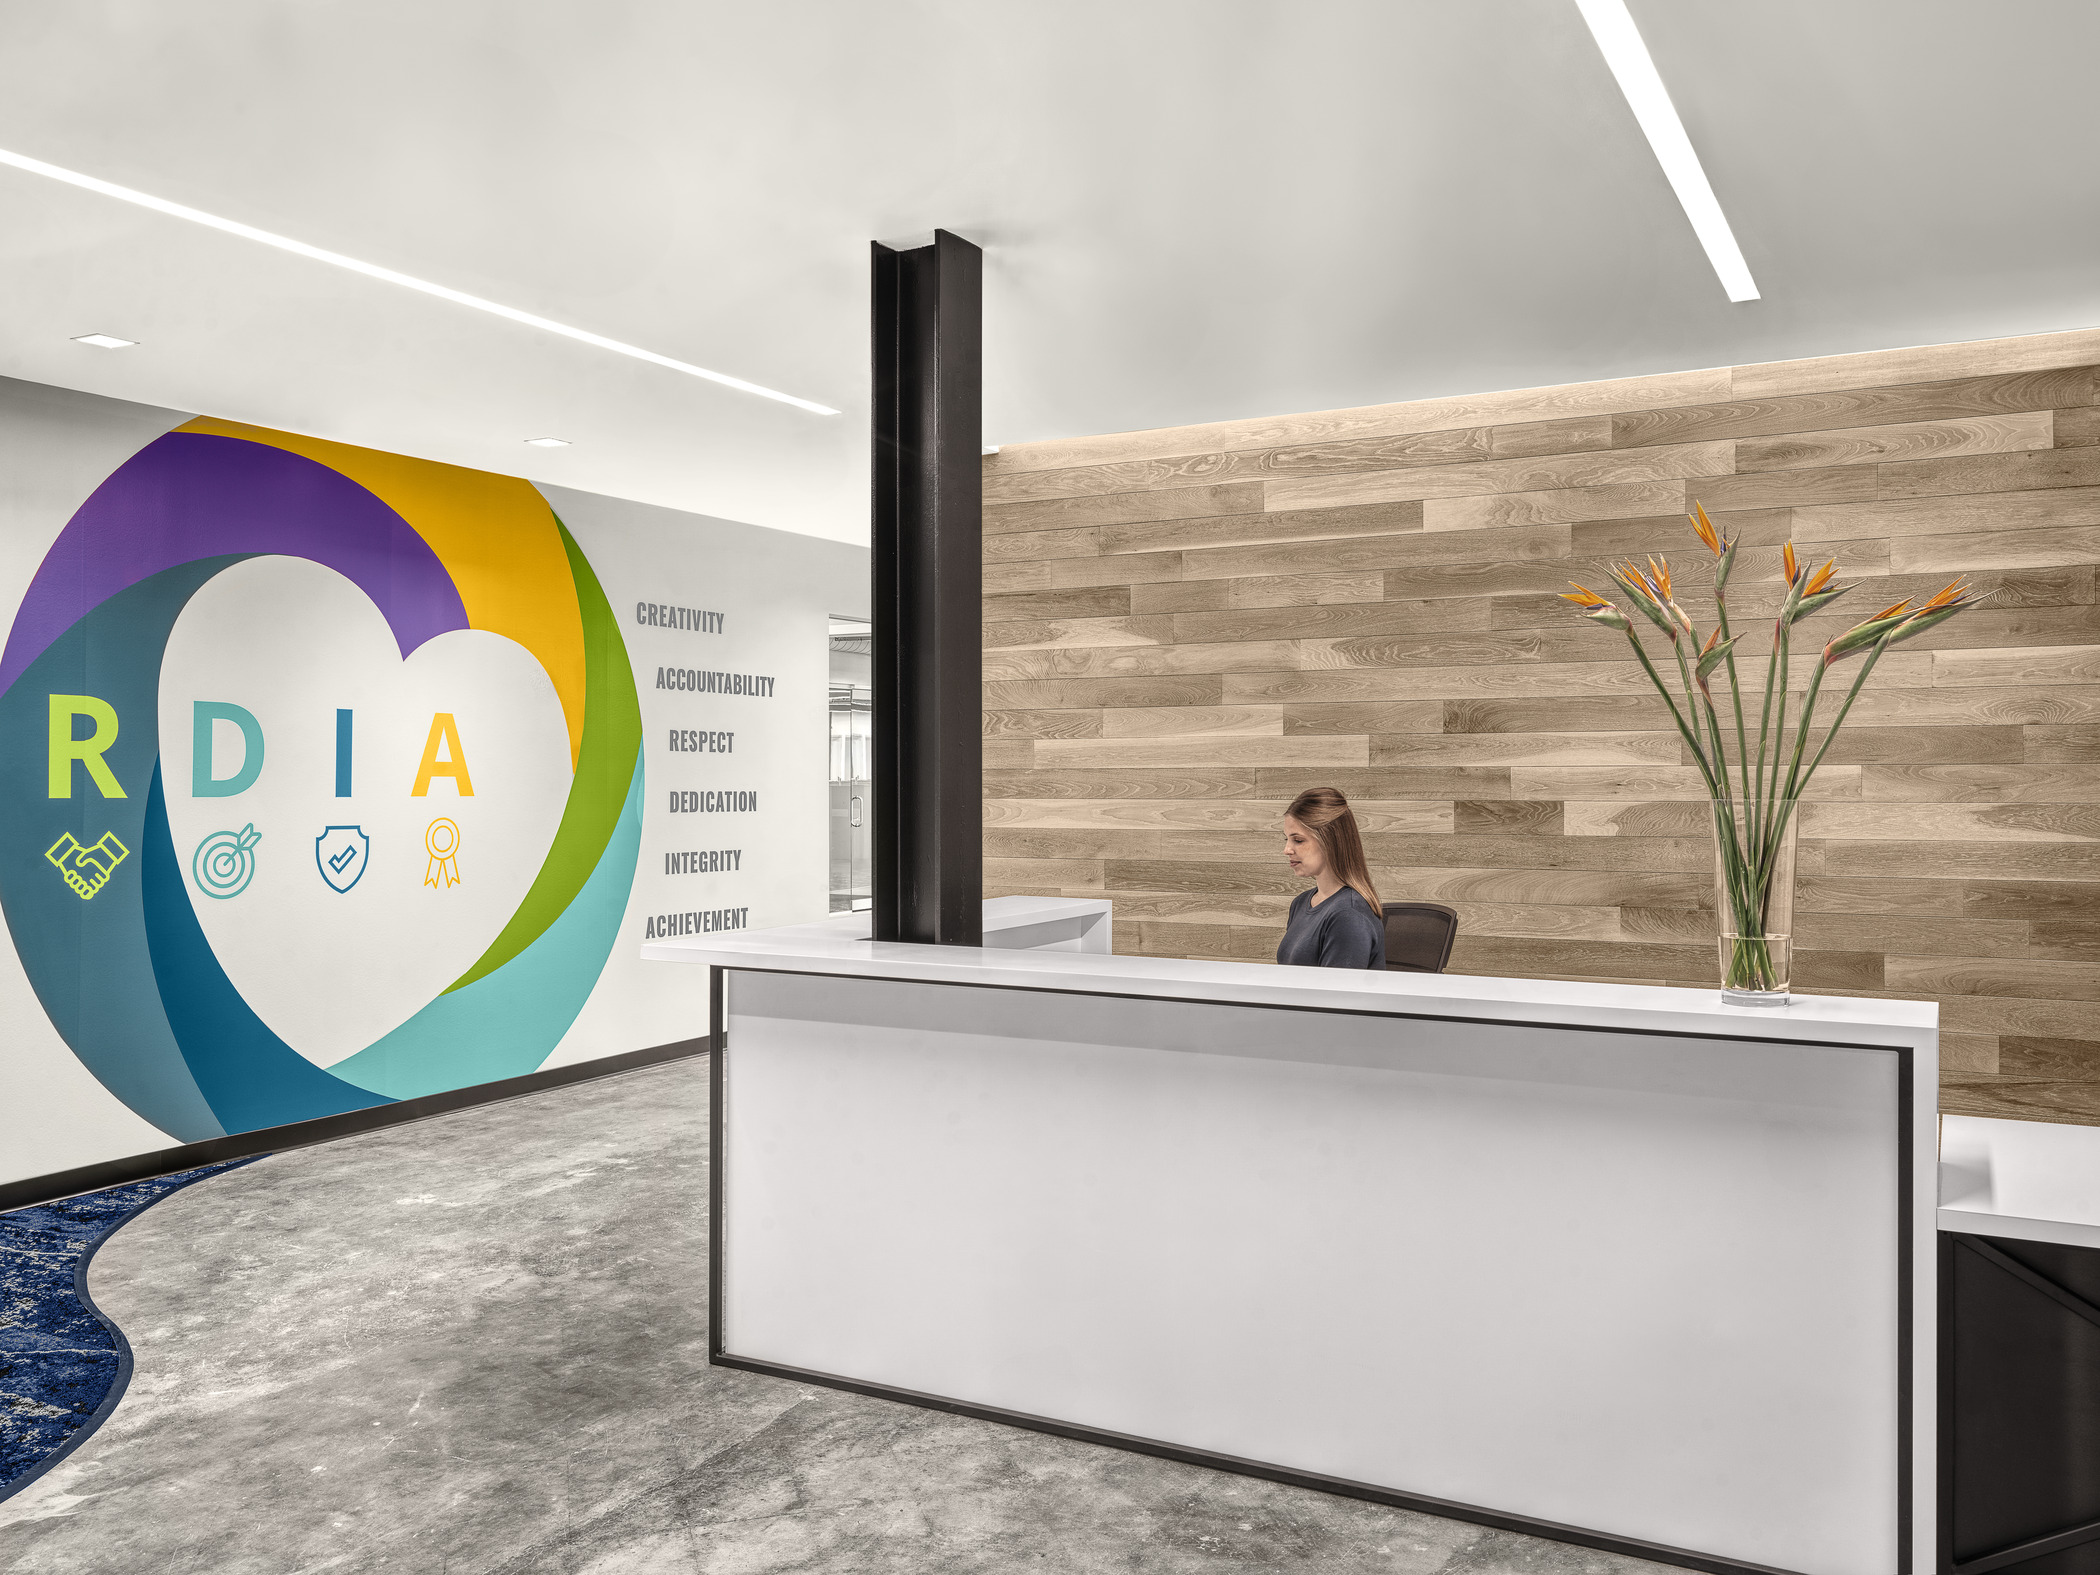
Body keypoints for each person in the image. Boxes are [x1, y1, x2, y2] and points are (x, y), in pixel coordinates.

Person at [1276, 786, 1386, 970]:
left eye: (1298, 840)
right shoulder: (1301, 903)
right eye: (1286, 839)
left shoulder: (1348, 916)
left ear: (1330, 841)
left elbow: (1337, 997)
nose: (1287, 849)